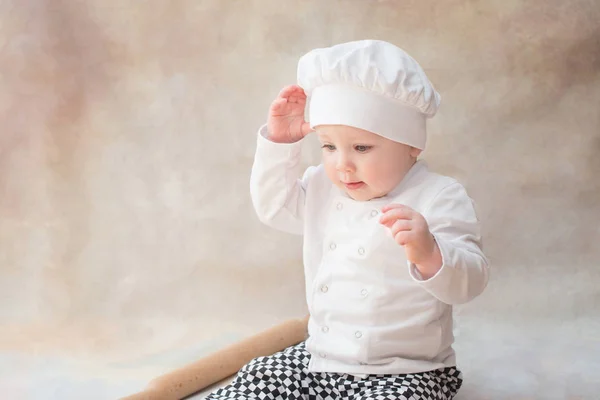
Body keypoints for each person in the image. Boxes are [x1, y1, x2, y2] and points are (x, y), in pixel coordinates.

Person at [207, 39, 490, 400]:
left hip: (404, 370)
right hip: (321, 359)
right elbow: (274, 207)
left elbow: (471, 281)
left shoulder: (439, 196)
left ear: (412, 145)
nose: (343, 164)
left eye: (361, 148)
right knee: (258, 377)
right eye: (328, 146)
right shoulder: (323, 186)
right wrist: (280, 144)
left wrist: (431, 254)